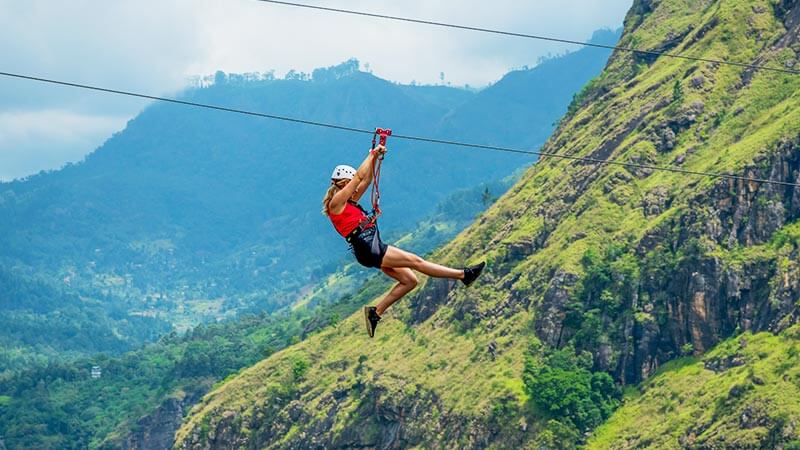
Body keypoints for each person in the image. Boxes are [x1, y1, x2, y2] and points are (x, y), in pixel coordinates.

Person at [322, 144, 485, 338]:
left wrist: (375, 157)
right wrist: (372, 153)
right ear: (342, 184)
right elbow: (359, 178)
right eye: (350, 184)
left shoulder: (349, 203)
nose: (354, 188)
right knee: (416, 261)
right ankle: (463, 275)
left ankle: (375, 313)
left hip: (369, 248)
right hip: (369, 248)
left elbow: (365, 180)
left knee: (410, 280)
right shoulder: (336, 204)